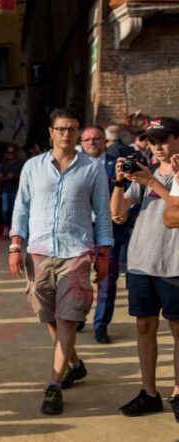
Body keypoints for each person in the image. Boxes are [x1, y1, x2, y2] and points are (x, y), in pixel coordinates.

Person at [9, 109, 112, 416]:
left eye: (72, 129)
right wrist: (15, 245)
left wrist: (103, 253)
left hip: (76, 252)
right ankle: (75, 363)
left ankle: (54, 384)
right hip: (39, 251)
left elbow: (102, 213)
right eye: (62, 129)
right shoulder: (32, 167)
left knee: (67, 317)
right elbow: (21, 207)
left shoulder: (92, 169)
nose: (67, 134)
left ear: (78, 133)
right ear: (51, 132)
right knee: (50, 316)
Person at [110, 117, 179, 421]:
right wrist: (119, 182)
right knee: (144, 327)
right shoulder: (145, 172)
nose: (157, 147)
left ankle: (178, 393)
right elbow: (118, 213)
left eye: (163, 140)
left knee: (178, 331)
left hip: (174, 263)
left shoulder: (161, 175)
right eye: (152, 142)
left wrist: (151, 182)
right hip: (141, 260)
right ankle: (149, 393)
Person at [80, 125, 135, 343]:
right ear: (82, 144)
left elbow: (132, 194)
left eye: (96, 138)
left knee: (107, 281)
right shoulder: (73, 166)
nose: (92, 142)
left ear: (105, 141)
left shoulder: (118, 164)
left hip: (110, 231)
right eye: (87, 140)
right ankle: (78, 316)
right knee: (78, 277)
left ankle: (101, 326)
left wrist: (125, 214)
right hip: (81, 231)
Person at [0, 145, 23, 237]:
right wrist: (7, 178)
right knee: (5, 211)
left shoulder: (20, 164)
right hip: (5, 190)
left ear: (15, 153)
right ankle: (6, 227)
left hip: (16, 190)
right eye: (8, 153)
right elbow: (0, 178)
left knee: (14, 211)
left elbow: (24, 177)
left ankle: (14, 228)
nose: (9, 154)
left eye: (11, 152)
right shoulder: (3, 164)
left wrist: (14, 176)